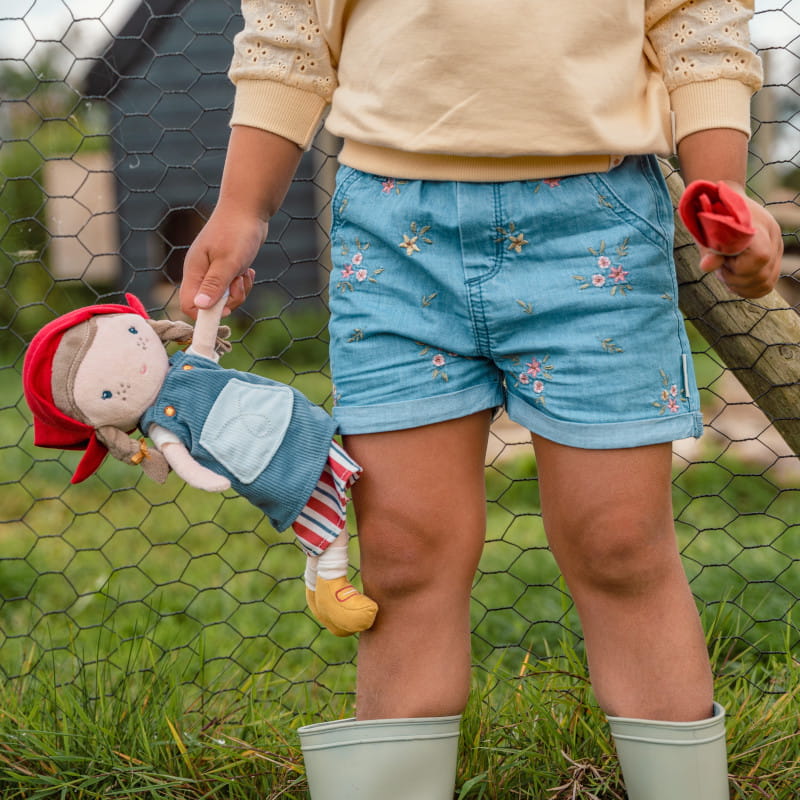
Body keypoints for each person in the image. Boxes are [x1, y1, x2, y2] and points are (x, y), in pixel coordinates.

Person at [179, 2, 784, 798]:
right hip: (393, 232)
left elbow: (698, 27)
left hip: (593, 225)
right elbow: (291, 32)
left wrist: (722, 192)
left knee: (620, 544)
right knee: (403, 552)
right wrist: (241, 206)